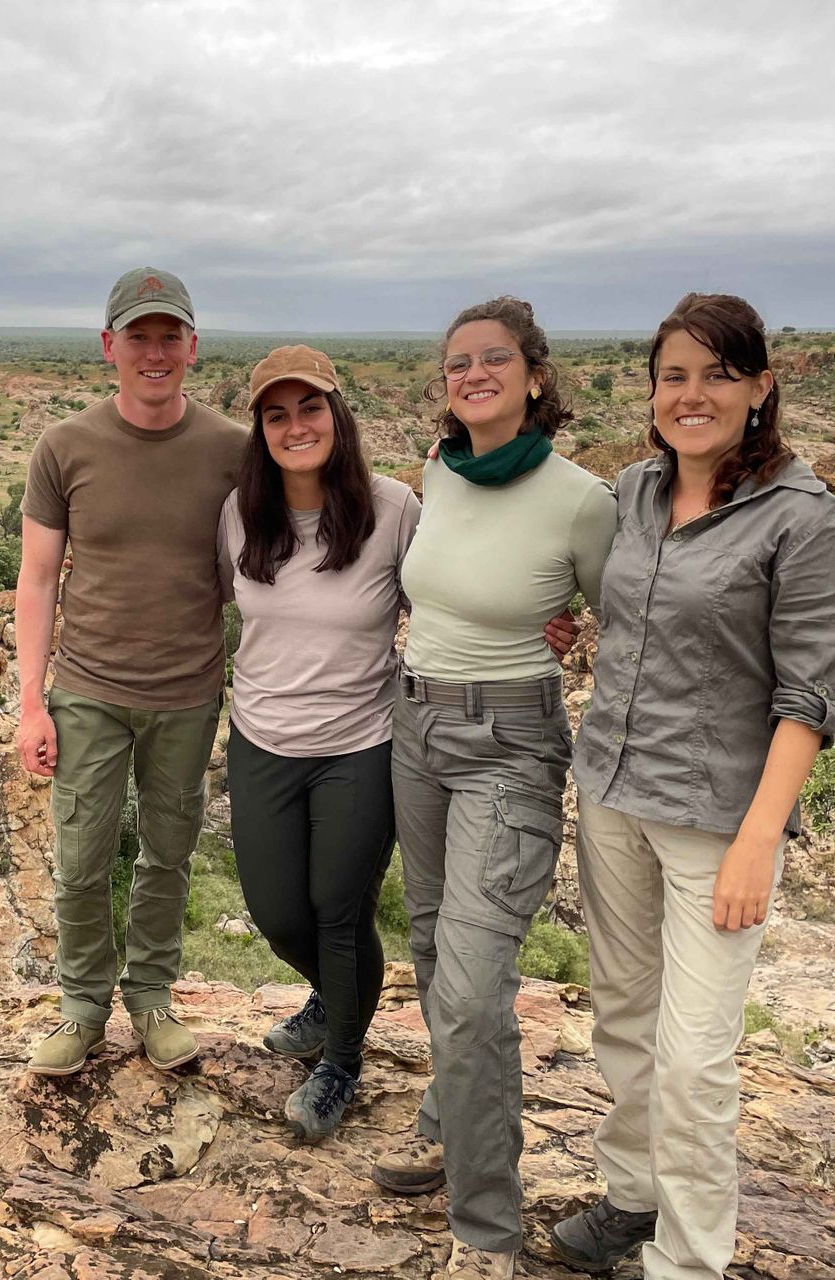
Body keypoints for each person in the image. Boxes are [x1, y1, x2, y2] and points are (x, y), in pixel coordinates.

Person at [549, 294, 835, 1280]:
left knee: (694, 1054)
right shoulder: (632, 492)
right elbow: (615, 607)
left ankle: (689, 1256)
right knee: (622, 1016)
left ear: (759, 387)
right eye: (672, 374)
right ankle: (630, 1194)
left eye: (716, 373)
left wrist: (762, 833)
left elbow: (806, 688)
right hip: (613, 791)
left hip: (717, 819)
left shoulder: (796, 515)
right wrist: (563, 627)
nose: (691, 393)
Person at [370, 297, 618, 1280]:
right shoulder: (439, 470)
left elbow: (619, 617)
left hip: (509, 740)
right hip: (415, 720)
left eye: (492, 360)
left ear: (532, 375)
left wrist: (563, 637)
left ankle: (484, 1230)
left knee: (474, 989)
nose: (471, 373)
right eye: (456, 362)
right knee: (431, 944)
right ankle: (445, 1119)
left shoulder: (577, 496)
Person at [17, 267, 246, 1076]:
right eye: (139, 336)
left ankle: (151, 997)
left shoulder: (232, 450)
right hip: (88, 692)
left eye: (169, 336)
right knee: (81, 859)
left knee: (168, 854)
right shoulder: (66, 446)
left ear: (192, 346)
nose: (156, 352)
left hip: (187, 693)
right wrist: (29, 705)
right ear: (110, 345)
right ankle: (82, 1007)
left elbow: (291, 550)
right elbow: (38, 578)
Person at [216, 345, 421, 1141]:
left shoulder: (395, 508)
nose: (295, 426)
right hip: (263, 735)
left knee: (338, 912)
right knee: (278, 915)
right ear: (260, 430)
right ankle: (338, 997)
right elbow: (205, 602)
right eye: (277, 414)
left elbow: (449, 593)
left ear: (338, 415)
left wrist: (537, 616)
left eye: (310, 408)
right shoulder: (239, 513)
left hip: (361, 743)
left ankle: (340, 1061)